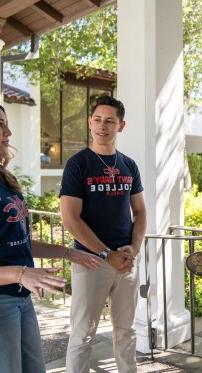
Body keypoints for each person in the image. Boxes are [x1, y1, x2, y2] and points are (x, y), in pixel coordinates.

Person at [0, 104, 102, 373]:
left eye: (6, 123)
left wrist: (69, 253)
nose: (8, 131)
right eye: (0, 124)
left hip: (21, 297)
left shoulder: (5, 180)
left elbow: (20, 241)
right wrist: (22, 273)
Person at [60, 95, 147, 373]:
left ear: (120, 126)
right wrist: (106, 254)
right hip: (90, 261)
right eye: (97, 119)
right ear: (89, 122)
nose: (102, 126)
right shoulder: (78, 164)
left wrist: (133, 248)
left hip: (125, 261)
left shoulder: (129, 165)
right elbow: (70, 219)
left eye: (110, 121)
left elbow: (141, 212)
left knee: (126, 331)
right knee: (83, 334)